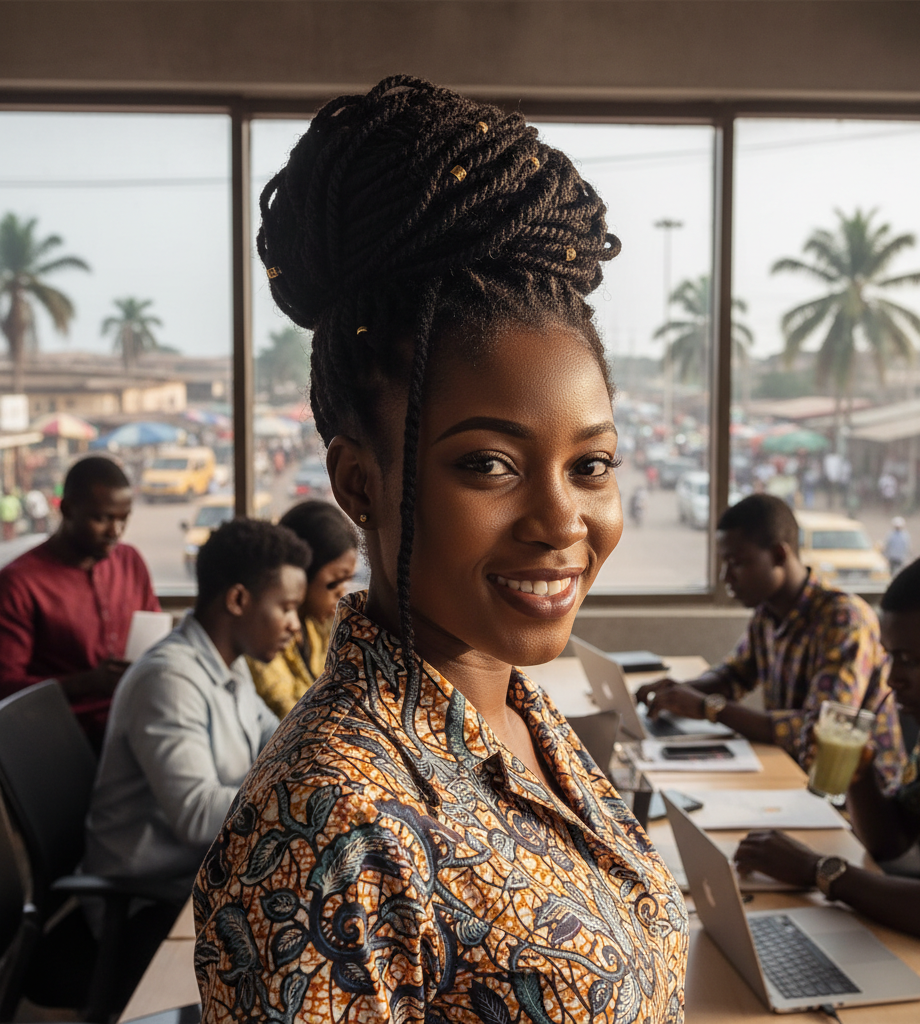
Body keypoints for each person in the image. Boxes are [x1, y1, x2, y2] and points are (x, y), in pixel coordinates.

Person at [193, 76, 687, 1022]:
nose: (562, 522)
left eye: (591, 465)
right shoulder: (333, 827)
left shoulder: (518, 714)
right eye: (490, 464)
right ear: (360, 483)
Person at [734, 550, 920, 1023]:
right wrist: (860, 771)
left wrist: (819, 871)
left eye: (910, 660)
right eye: (890, 657)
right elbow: (891, 839)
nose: (891, 679)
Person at [83, 518, 309, 901]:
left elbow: (278, 741)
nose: (294, 626)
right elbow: (198, 815)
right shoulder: (168, 680)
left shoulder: (229, 662)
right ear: (238, 600)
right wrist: (304, 793)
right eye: (286, 608)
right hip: (147, 899)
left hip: (205, 875)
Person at [637, 494, 905, 788]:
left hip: (855, 793)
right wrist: (678, 691)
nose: (726, 577)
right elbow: (734, 675)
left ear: (779, 555)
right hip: (793, 770)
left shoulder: (845, 620)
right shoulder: (768, 612)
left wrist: (709, 708)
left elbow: (817, 731)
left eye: (736, 563)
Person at [0, 456, 160, 751]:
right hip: (61, 739)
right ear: (67, 509)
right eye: (102, 518)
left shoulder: (130, 562)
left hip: (137, 722)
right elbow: (7, 687)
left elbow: (155, 636)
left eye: (123, 518)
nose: (115, 531)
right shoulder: (19, 583)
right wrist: (86, 683)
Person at [247, 499, 359, 717]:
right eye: (333, 583)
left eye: (346, 582)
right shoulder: (263, 636)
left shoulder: (319, 625)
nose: (341, 595)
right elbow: (288, 714)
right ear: (301, 576)